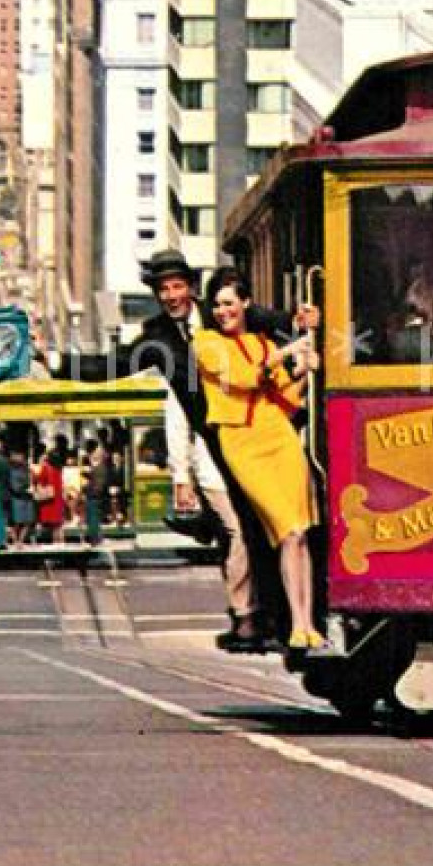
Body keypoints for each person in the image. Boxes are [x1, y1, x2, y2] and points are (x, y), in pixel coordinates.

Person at [128, 248, 314, 653]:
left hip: (267, 431)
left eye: (178, 286)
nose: (172, 295)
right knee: (240, 528)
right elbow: (117, 363)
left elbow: (265, 319)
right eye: (164, 289)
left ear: (191, 288)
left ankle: (279, 619)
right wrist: (50, 364)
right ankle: (251, 617)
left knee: (272, 527)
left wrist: (298, 322)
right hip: (219, 442)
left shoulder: (221, 312)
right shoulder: (157, 334)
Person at [193, 267, 326, 652]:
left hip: (278, 436)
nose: (222, 312)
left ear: (245, 304)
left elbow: (284, 395)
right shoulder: (206, 344)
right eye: (216, 305)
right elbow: (244, 378)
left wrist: (305, 366)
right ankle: (294, 622)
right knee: (284, 527)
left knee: (299, 532)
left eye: (229, 304)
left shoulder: (262, 342)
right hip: (243, 443)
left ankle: (304, 623)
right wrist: (291, 350)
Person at [32, 448, 66, 543]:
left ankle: (55, 542)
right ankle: (61, 542)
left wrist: (36, 470)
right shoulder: (58, 468)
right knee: (58, 524)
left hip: (50, 499)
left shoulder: (46, 467)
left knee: (53, 524)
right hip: (58, 498)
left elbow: (39, 479)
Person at [82, 438, 110, 545]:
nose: (93, 456)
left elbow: (98, 484)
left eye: (96, 454)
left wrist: (88, 490)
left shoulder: (100, 468)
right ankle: (96, 537)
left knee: (93, 518)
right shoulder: (99, 468)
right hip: (94, 496)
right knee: (92, 517)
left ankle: (94, 539)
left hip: (93, 497)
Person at [8, 447, 35, 547]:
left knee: (28, 521)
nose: (21, 458)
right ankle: (15, 541)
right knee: (16, 522)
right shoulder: (12, 470)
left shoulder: (27, 469)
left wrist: (32, 485)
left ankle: (21, 541)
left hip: (27, 498)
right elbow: (14, 486)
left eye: (21, 456)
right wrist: (25, 489)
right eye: (17, 456)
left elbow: (31, 481)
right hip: (17, 498)